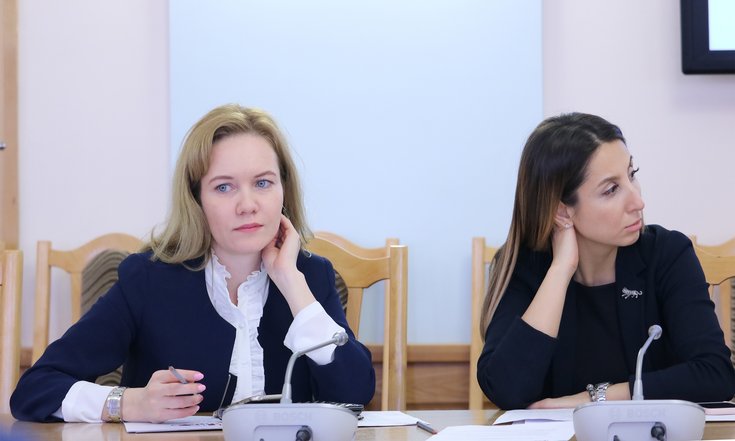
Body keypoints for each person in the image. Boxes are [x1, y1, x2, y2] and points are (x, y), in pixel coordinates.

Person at [11, 104, 375, 422]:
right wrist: (131, 403)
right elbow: (36, 389)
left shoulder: (311, 276)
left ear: (284, 189)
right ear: (196, 199)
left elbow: (356, 394)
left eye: (263, 183)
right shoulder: (149, 280)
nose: (248, 205)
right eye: (224, 187)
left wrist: (291, 283)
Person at [477, 112, 735, 410]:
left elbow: (715, 375)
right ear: (562, 211)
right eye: (611, 190)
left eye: (632, 174)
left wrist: (593, 399)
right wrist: (561, 269)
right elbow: (506, 389)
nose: (638, 202)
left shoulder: (667, 253)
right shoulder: (525, 266)